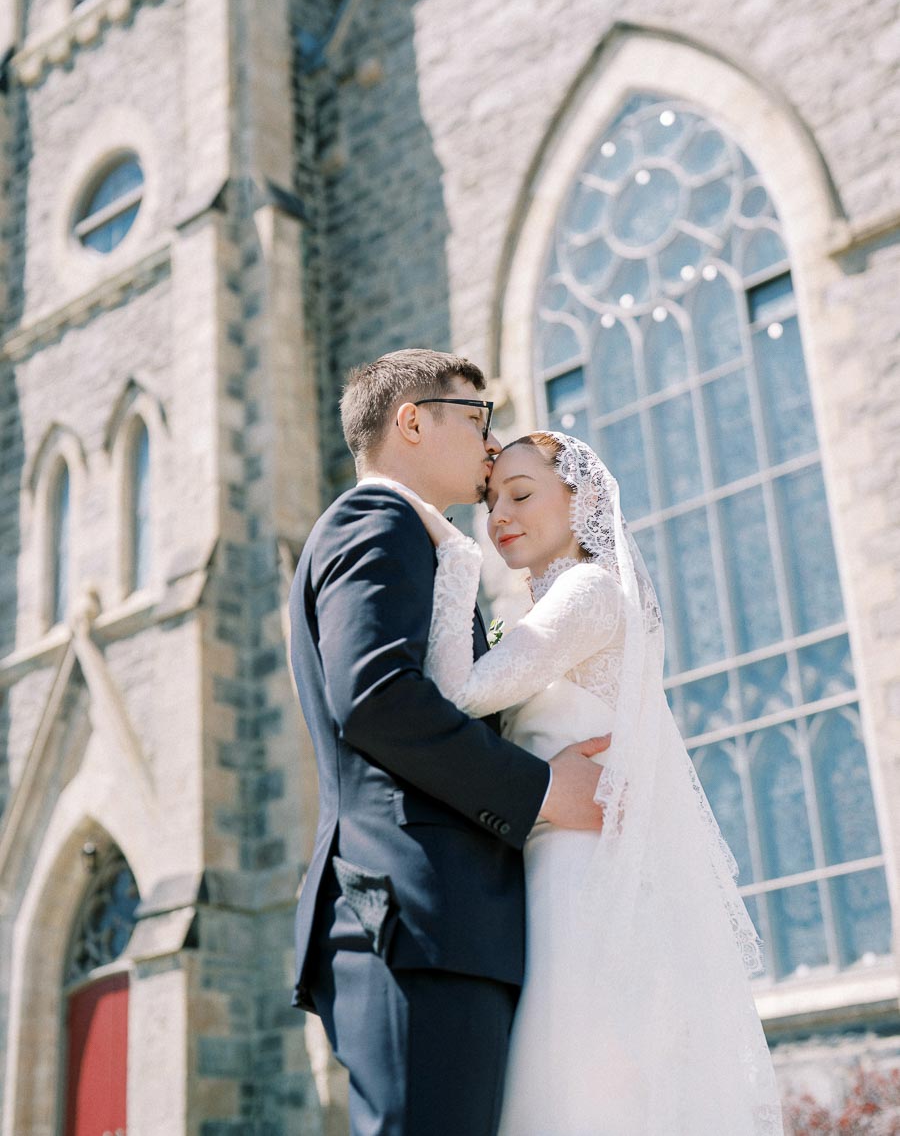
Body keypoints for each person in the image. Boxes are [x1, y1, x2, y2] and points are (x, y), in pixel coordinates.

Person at [390, 430, 784, 1136]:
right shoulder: (545, 612)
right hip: (543, 864)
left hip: (577, 877)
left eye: (521, 494)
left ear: (586, 500)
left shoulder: (589, 591)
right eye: (488, 501)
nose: (499, 515)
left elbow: (462, 690)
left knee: (572, 1082)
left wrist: (454, 560)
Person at [288, 351, 613, 1136]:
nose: (490, 446)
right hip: (414, 917)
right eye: (477, 420)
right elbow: (376, 698)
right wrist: (541, 791)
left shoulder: (418, 542)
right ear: (411, 422)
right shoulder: (378, 519)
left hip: (445, 925)